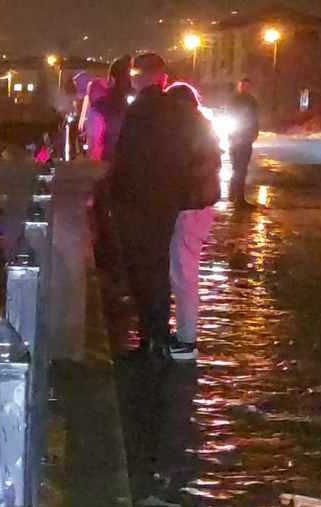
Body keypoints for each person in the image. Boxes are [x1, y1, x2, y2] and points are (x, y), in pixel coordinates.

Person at [108, 53, 188, 363]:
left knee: (142, 271)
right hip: (166, 201)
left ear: (139, 76)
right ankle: (159, 334)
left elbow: (126, 160)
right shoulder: (174, 108)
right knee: (159, 268)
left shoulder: (138, 110)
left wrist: (115, 196)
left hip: (138, 202)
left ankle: (149, 338)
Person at [165, 82, 222, 361]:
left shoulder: (187, 130)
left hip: (191, 207)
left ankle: (187, 341)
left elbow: (186, 170)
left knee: (184, 274)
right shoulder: (202, 127)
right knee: (182, 271)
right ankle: (185, 335)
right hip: (199, 206)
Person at [226, 78, 260, 209]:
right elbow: (230, 117)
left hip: (244, 139)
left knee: (241, 168)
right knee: (238, 167)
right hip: (237, 139)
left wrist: (253, 134)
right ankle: (236, 195)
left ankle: (236, 194)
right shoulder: (235, 100)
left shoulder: (251, 101)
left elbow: (255, 118)